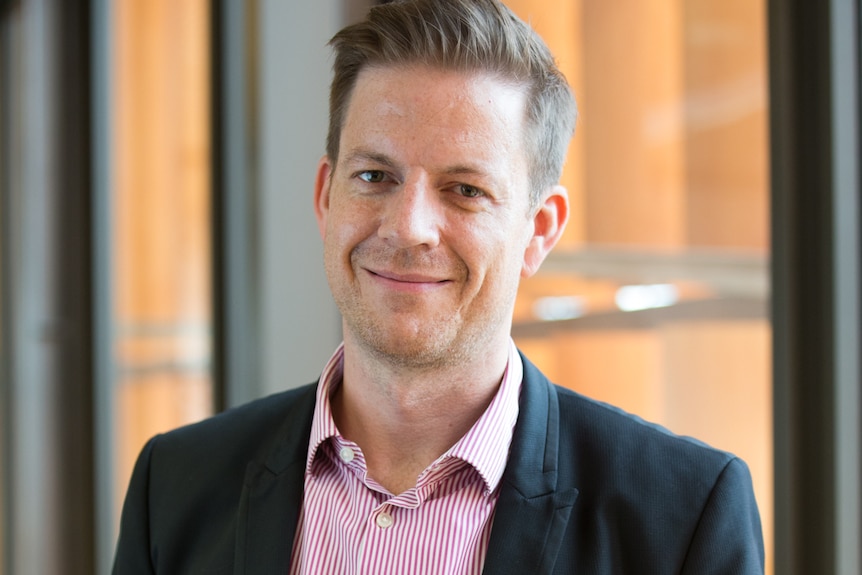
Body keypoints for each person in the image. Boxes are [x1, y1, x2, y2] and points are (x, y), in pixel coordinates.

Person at [112, 0, 764, 573]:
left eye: (465, 190)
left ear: (539, 230)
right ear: (324, 196)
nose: (410, 226)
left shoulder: (681, 518)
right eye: (374, 176)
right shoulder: (174, 488)